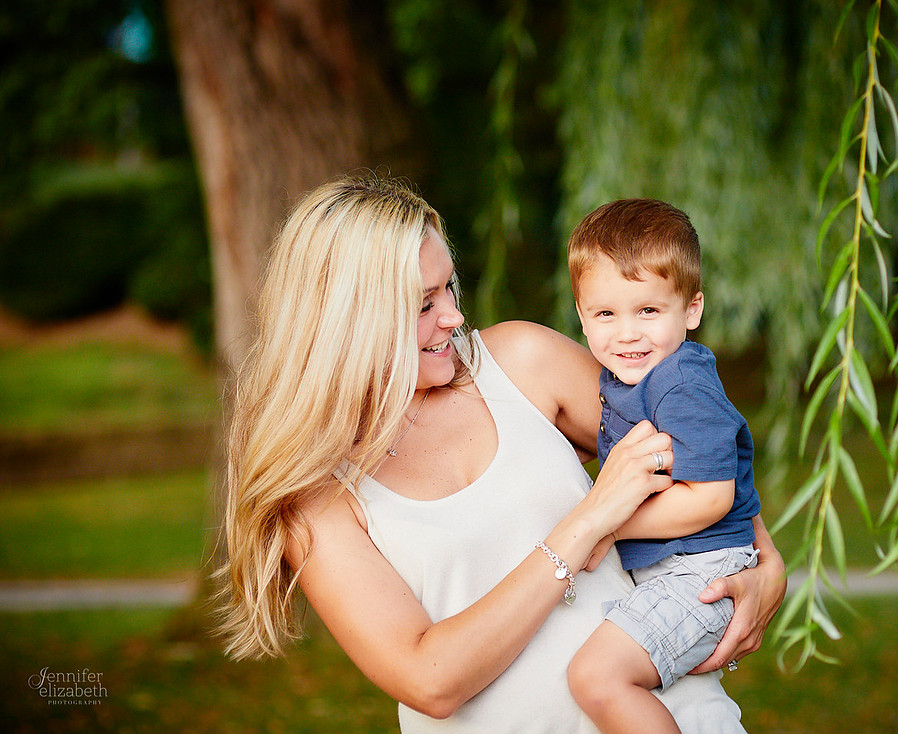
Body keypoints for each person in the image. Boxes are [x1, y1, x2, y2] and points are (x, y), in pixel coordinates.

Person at [215, 175, 785, 734]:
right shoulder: (314, 491)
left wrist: (766, 564)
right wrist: (583, 526)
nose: (453, 318)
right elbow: (430, 679)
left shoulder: (521, 361)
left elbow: (701, 448)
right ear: (347, 321)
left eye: (449, 289)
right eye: (422, 304)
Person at [565, 198, 764, 734]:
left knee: (597, 677)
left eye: (648, 311)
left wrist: (604, 527)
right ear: (582, 315)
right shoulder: (626, 379)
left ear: (692, 310)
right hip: (677, 570)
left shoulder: (682, 384)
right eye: (606, 314)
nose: (627, 333)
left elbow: (711, 496)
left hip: (702, 572)